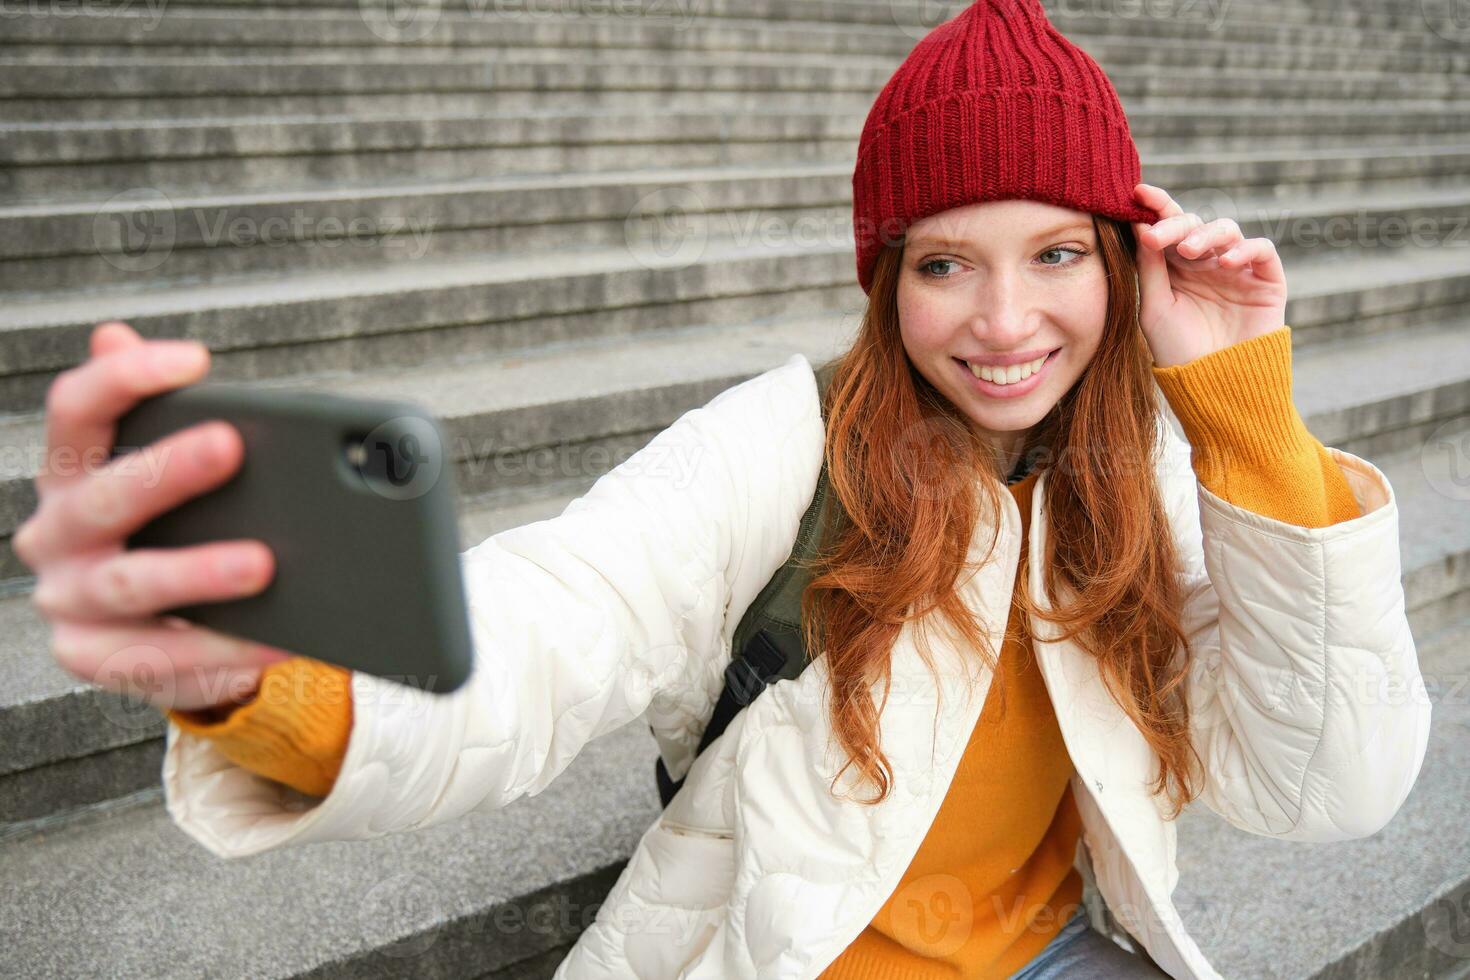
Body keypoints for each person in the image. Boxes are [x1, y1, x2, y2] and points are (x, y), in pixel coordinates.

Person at [15, 0, 1430, 977]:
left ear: (1122, 267)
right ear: (884, 282)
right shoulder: (781, 442)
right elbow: (552, 625)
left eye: (1056, 254)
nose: (1002, 322)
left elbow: (1330, 789)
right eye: (944, 263)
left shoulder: (1141, 476)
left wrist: (1240, 409)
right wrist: (274, 669)